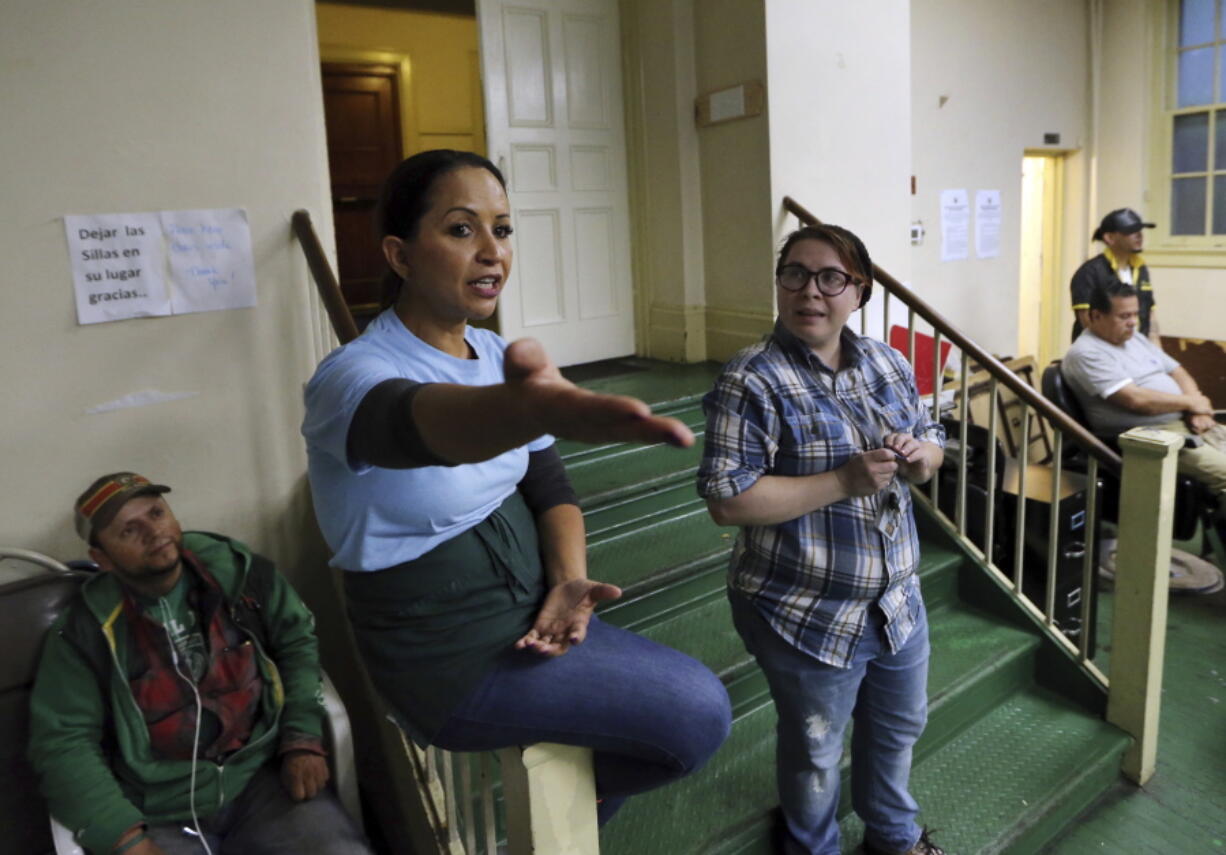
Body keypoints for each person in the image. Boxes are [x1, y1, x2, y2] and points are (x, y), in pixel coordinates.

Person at [301, 149, 731, 825]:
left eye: (502, 229)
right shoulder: (350, 376)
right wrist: (519, 411)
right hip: (444, 654)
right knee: (697, 709)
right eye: (461, 228)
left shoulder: (499, 356)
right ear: (401, 254)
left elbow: (550, 486)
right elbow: (413, 425)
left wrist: (569, 580)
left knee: (689, 715)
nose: (491, 252)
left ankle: (573, 815)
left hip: (534, 606)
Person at [697, 224, 946, 855]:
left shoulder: (888, 363)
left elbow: (932, 434)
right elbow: (729, 501)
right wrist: (842, 479)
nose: (811, 291)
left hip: (896, 602)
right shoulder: (751, 380)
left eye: (831, 277)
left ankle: (893, 836)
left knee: (897, 729)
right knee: (815, 749)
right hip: (804, 607)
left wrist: (924, 457)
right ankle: (813, 845)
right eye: (795, 274)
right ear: (780, 283)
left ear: (858, 291)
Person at [28, 472, 370, 855]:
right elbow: (63, 742)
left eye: (157, 514)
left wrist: (302, 738)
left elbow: (297, 645)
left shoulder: (239, 575)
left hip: (260, 779)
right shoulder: (85, 633)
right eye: (129, 530)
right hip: (158, 807)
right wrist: (126, 838)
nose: (153, 531)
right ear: (101, 559)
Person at [1062, 280, 1226, 499]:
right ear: (1095, 316)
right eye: (1124, 316)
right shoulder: (1086, 353)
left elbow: (1178, 371)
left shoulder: (1135, 339)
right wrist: (1190, 403)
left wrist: (1196, 409)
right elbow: (1135, 400)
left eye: (1134, 315)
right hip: (1152, 437)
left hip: (1188, 421)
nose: (1132, 322)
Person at [1070, 208, 1158, 342]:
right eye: (1130, 231)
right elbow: (1086, 321)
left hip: (1137, 353)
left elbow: (1150, 316)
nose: (1139, 235)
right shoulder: (1090, 271)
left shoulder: (1141, 269)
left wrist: (1157, 353)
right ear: (1109, 238)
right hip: (1101, 354)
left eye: (1139, 230)